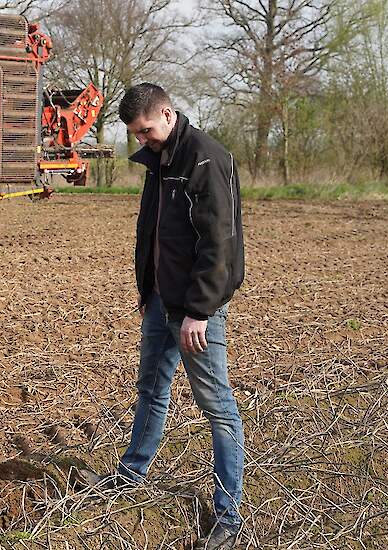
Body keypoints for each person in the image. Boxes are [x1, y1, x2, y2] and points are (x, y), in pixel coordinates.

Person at [77, 83, 246, 550]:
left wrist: (199, 311)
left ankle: (228, 516)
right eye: (134, 133)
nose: (141, 140)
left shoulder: (205, 159)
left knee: (218, 407)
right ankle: (131, 473)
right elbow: (153, 230)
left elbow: (220, 246)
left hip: (194, 310)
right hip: (159, 301)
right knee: (151, 388)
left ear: (167, 115)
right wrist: (147, 289)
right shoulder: (160, 159)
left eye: (146, 130)